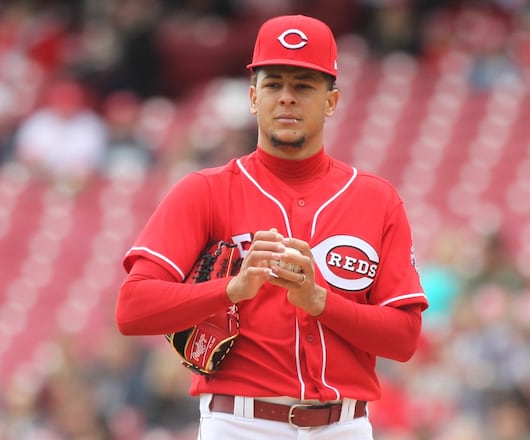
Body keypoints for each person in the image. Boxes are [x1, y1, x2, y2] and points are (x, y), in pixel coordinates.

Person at [115, 14, 428, 439]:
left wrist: (320, 301)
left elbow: (403, 339)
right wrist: (230, 289)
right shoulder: (205, 191)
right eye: (273, 84)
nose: (286, 98)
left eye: (303, 85)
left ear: (331, 101)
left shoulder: (376, 200)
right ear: (252, 97)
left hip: (344, 425)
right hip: (239, 423)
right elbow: (132, 308)